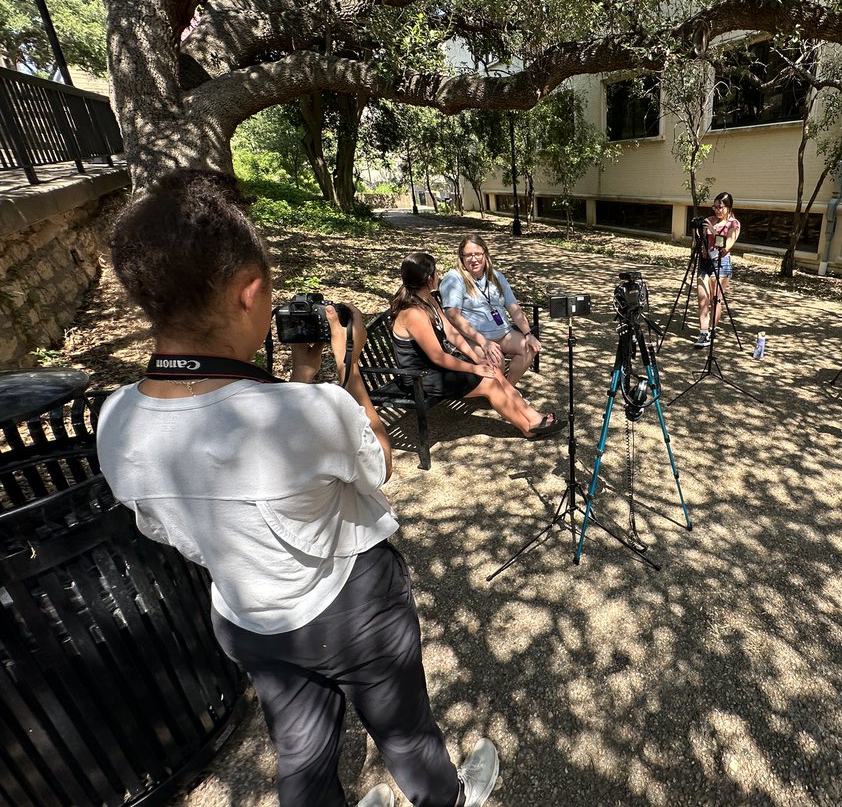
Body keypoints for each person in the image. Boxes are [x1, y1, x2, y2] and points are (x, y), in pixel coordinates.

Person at [95, 172, 499, 807]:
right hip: (350, 607)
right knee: (405, 735)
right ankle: (446, 798)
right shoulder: (310, 414)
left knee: (302, 761)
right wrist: (349, 369)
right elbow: (378, 464)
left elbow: (178, 518)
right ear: (249, 292)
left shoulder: (115, 419)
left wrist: (303, 373)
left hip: (248, 618)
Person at [392, 251, 563, 438]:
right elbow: (437, 357)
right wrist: (474, 370)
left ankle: (534, 417)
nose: (438, 275)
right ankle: (527, 428)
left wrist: (477, 360)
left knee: (492, 369)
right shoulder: (413, 313)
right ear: (429, 278)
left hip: (435, 368)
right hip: (421, 376)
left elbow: (450, 332)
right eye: (436, 272)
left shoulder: (428, 300)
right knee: (489, 382)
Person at [439, 234, 542, 385]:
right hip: (473, 339)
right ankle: (503, 396)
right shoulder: (454, 279)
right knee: (496, 358)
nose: (474, 259)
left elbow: (513, 306)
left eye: (477, 254)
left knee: (529, 347)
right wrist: (484, 342)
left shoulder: (495, 276)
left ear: (485, 254)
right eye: (468, 255)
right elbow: (454, 316)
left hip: (503, 333)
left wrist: (528, 334)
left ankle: (508, 390)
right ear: (461, 258)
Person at [694, 192, 741, 348]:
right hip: (705, 262)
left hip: (721, 263)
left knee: (715, 300)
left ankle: (712, 329)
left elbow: (726, 247)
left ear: (728, 207)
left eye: (720, 207)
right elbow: (699, 241)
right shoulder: (710, 220)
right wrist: (698, 231)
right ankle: (703, 333)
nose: (717, 210)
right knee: (702, 299)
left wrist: (713, 231)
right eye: (715, 207)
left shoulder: (734, 224)